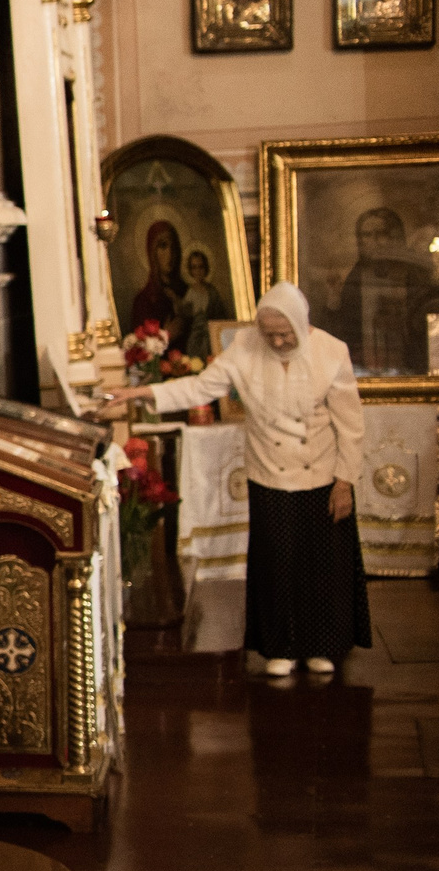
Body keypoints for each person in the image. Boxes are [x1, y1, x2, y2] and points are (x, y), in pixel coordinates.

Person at [103, 284, 366, 683]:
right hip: (269, 474)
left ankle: (319, 647)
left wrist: (344, 482)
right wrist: (138, 393)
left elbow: (350, 424)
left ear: (301, 323)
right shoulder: (244, 346)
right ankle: (280, 648)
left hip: (322, 476)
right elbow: (198, 387)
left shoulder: (332, 351)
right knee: (276, 564)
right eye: (270, 334)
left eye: (286, 334)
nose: (278, 342)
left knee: (319, 565)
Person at [316, 206, 438, 376]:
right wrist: (334, 300)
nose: (373, 241)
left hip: (411, 368)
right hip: (364, 368)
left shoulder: (415, 276)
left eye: (380, 234)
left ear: (395, 238)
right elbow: (339, 333)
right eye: (366, 235)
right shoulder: (353, 280)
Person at [129, 220, 187, 344]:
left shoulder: (188, 292)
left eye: (173, 247)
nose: (170, 253)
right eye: (163, 246)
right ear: (152, 252)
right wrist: (166, 335)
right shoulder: (144, 300)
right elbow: (140, 346)